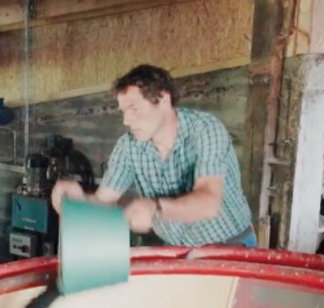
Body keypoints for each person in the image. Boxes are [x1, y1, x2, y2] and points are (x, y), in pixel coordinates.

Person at [51, 64, 257, 248]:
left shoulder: (205, 130)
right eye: (123, 112)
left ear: (163, 98)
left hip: (230, 246)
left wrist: (156, 208)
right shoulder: (128, 146)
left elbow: (209, 202)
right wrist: (78, 201)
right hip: (177, 250)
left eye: (133, 109)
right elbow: (104, 200)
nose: (126, 121)